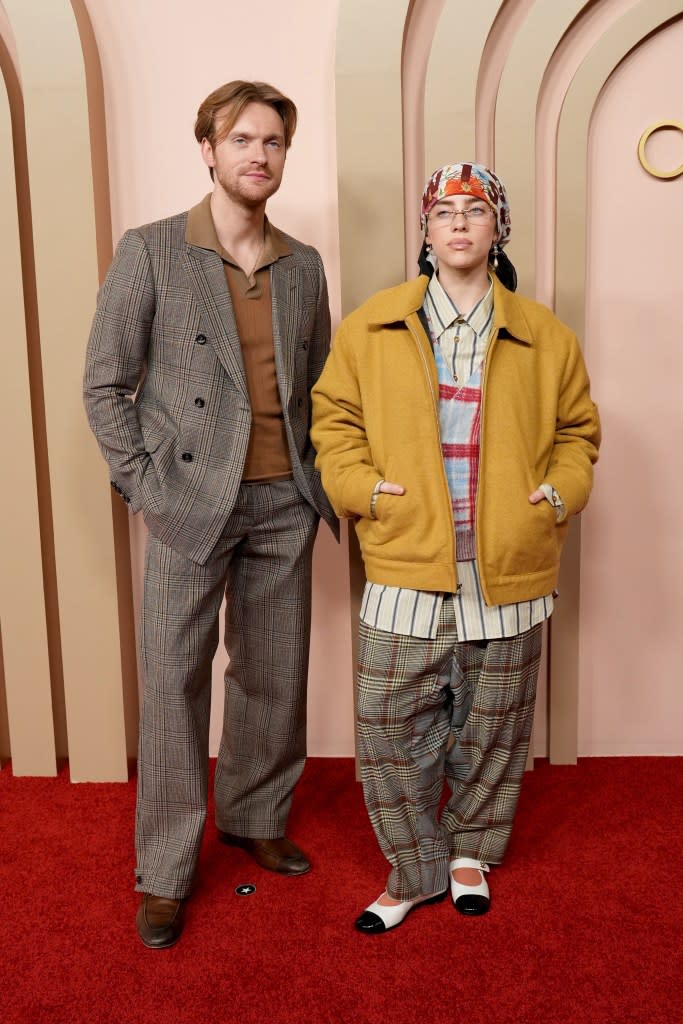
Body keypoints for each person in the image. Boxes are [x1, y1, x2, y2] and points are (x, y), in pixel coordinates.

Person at [311, 162, 600, 934]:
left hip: (508, 563)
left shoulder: (545, 335)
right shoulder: (373, 324)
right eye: (444, 211)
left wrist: (556, 496)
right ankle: (414, 870)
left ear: (497, 228)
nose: (460, 222)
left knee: (494, 724)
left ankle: (470, 851)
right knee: (387, 726)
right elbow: (332, 423)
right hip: (405, 557)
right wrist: (365, 492)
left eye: (476, 210)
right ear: (426, 231)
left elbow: (577, 434)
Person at [84, 80, 337, 949]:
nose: (257, 155)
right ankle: (164, 869)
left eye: (271, 142)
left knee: (273, 676)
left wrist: (318, 486)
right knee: (173, 685)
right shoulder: (152, 250)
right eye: (240, 141)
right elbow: (104, 385)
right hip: (189, 502)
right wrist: (148, 489)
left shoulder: (302, 264)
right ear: (208, 150)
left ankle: (253, 815)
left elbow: (321, 392)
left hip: (282, 502)